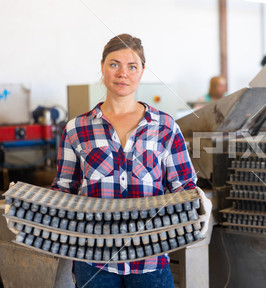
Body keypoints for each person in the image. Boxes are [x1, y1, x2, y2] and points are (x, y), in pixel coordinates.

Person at [51, 34, 207, 288]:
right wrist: (31, 210)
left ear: (142, 71)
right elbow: (63, 190)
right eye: (114, 64)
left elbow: (183, 187)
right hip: (93, 260)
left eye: (132, 66)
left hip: (151, 260)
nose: (123, 73)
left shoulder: (165, 126)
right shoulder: (76, 128)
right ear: (102, 66)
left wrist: (197, 201)